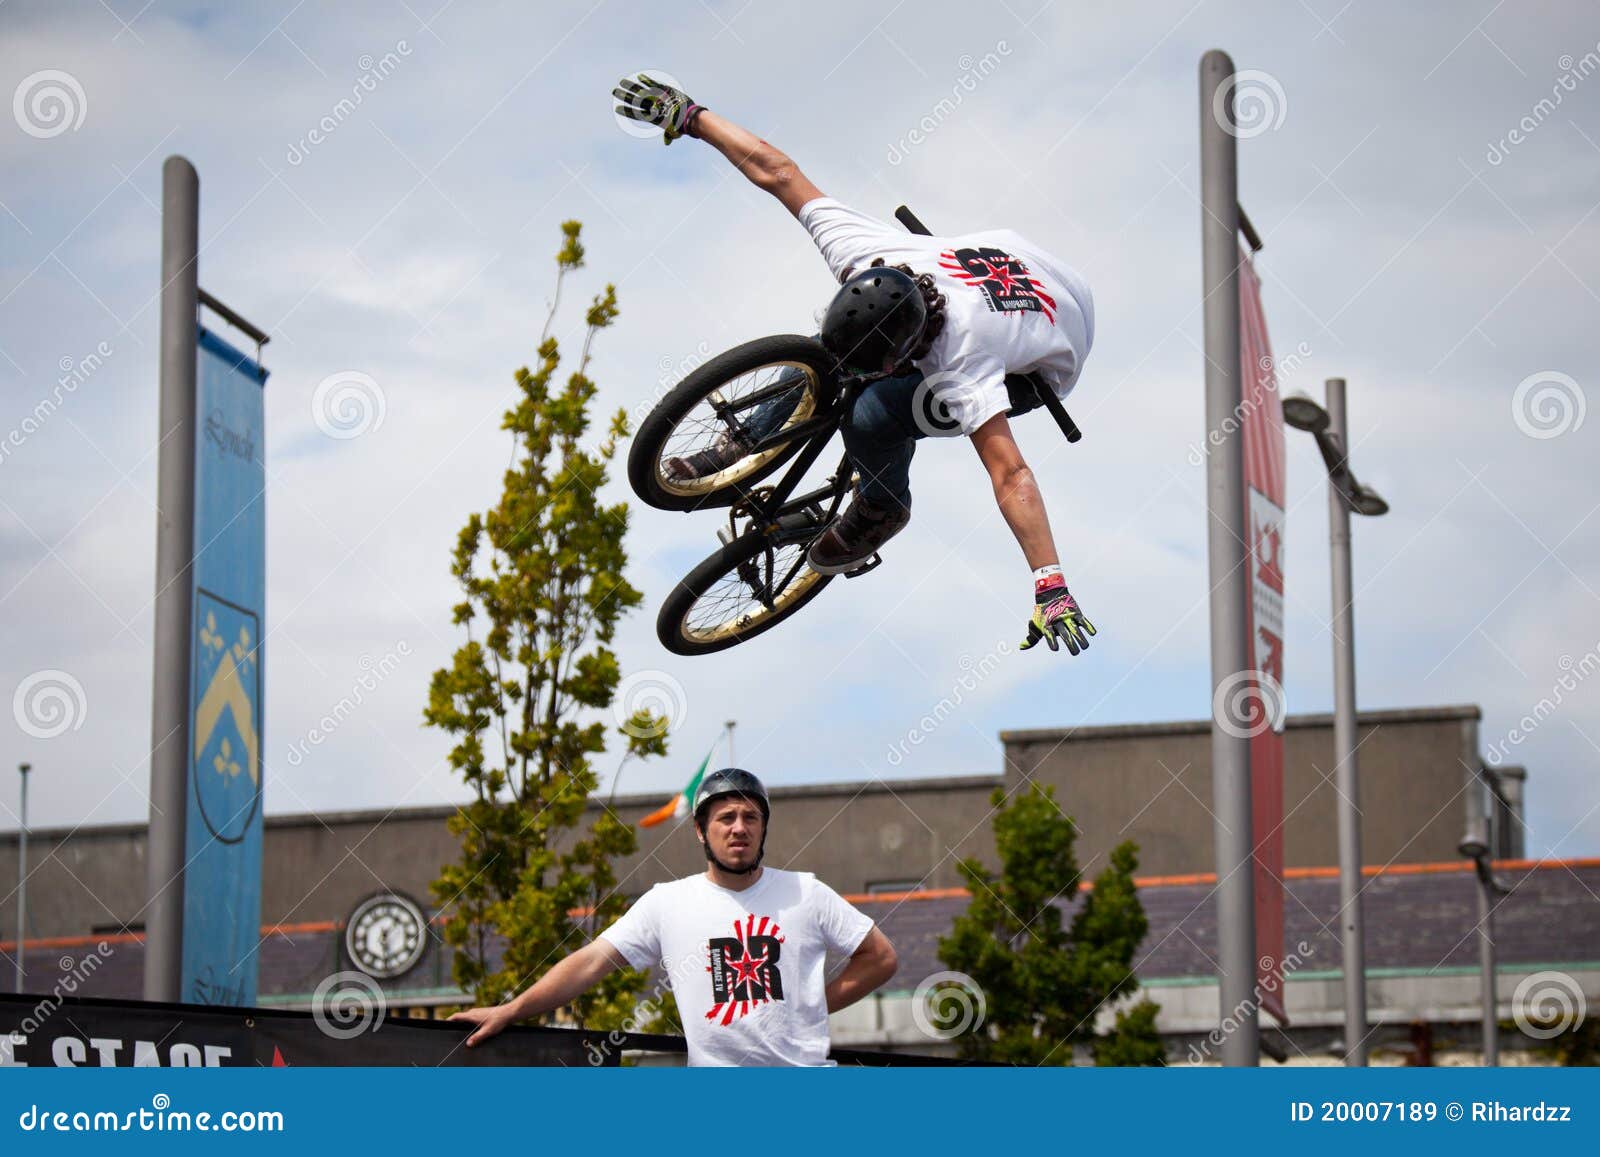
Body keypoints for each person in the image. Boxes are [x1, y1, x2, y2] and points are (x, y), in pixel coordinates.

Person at [613, 74, 1097, 655]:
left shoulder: (965, 362)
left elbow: (1011, 473)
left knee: (874, 410)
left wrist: (1051, 583)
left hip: (1044, 356)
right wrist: (690, 116)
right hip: (1013, 261)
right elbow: (776, 170)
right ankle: (748, 439)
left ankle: (881, 506)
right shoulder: (861, 250)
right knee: (829, 364)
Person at [448, 768, 898, 1066]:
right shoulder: (668, 902)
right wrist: (512, 1009)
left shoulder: (807, 891)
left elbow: (880, 957)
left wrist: (810, 1005)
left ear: (763, 827)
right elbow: (589, 963)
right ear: (701, 831)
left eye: (750, 817)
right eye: (725, 818)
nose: (738, 827)